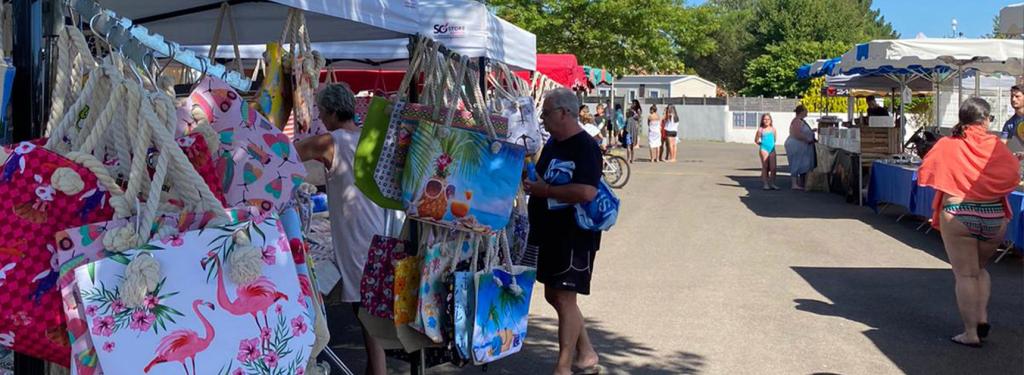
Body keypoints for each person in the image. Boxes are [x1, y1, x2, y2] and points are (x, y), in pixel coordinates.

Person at [295, 84, 388, 375]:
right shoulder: (367, 137)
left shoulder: (330, 142)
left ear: (333, 112)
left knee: (367, 317)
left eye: (321, 112)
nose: (320, 117)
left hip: (356, 234)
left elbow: (286, 153)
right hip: (377, 227)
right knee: (368, 314)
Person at [918, 98, 1020, 348]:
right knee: (980, 270)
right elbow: (1012, 176)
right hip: (994, 216)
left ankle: (971, 332)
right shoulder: (996, 145)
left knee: (965, 274)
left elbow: (926, 170)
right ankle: (982, 317)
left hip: (959, 213)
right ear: (985, 120)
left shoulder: (948, 144)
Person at [524, 88, 602, 375]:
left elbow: (586, 191)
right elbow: (543, 180)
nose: (543, 120)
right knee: (553, 295)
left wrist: (546, 190)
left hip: (574, 235)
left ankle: (564, 366)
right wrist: (531, 181)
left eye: (546, 113)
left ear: (564, 113)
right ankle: (587, 353)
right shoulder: (555, 145)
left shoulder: (586, 147)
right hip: (549, 231)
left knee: (566, 296)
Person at [784, 105, 816, 190]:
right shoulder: (797, 121)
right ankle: (794, 184)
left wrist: (812, 132)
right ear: (802, 112)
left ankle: (801, 182)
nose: (807, 112)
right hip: (796, 145)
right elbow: (797, 133)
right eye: (806, 111)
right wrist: (807, 140)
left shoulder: (801, 121)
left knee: (803, 163)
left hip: (801, 145)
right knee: (796, 162)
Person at [754, 113, 779, 190]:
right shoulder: (760, 130)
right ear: (762, 120)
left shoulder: (773, 129)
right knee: (765, 166)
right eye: (765, 119)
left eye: (768, 119)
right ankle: (765, 184)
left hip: (771, 149)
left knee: (773, 168)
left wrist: (770, 146)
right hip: (764, 149)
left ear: (770, 120)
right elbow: (756, 140)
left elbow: (774, 139)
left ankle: (772, 183)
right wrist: (762, 145)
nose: (766, 121)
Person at [1000, 85, 1024, 157]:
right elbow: (1002, 146)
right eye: (1012, 96)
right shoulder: (1009, 124)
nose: (1013, 99)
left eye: (1017, 96)